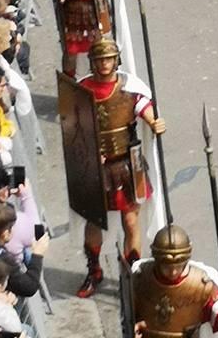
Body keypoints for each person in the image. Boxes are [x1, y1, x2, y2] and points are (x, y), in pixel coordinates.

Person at [75, 38, 165, 298]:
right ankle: (94, 271)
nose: (104, 64)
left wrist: (154, 122)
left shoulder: (129, 89)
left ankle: (132, 273)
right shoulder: (81, 90)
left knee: (130, 220)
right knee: (94, 220)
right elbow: (74, 125)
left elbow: (142, 108)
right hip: (96, 166)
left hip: (127, 163)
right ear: (93, 62)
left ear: (116, 60)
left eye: (108, 59)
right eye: (100, 60)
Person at [132, 225, 218, 336]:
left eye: (178, 266)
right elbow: (131, 313)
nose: (173, 272)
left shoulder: (201, 286)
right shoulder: (141, 278)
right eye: (167, 267)